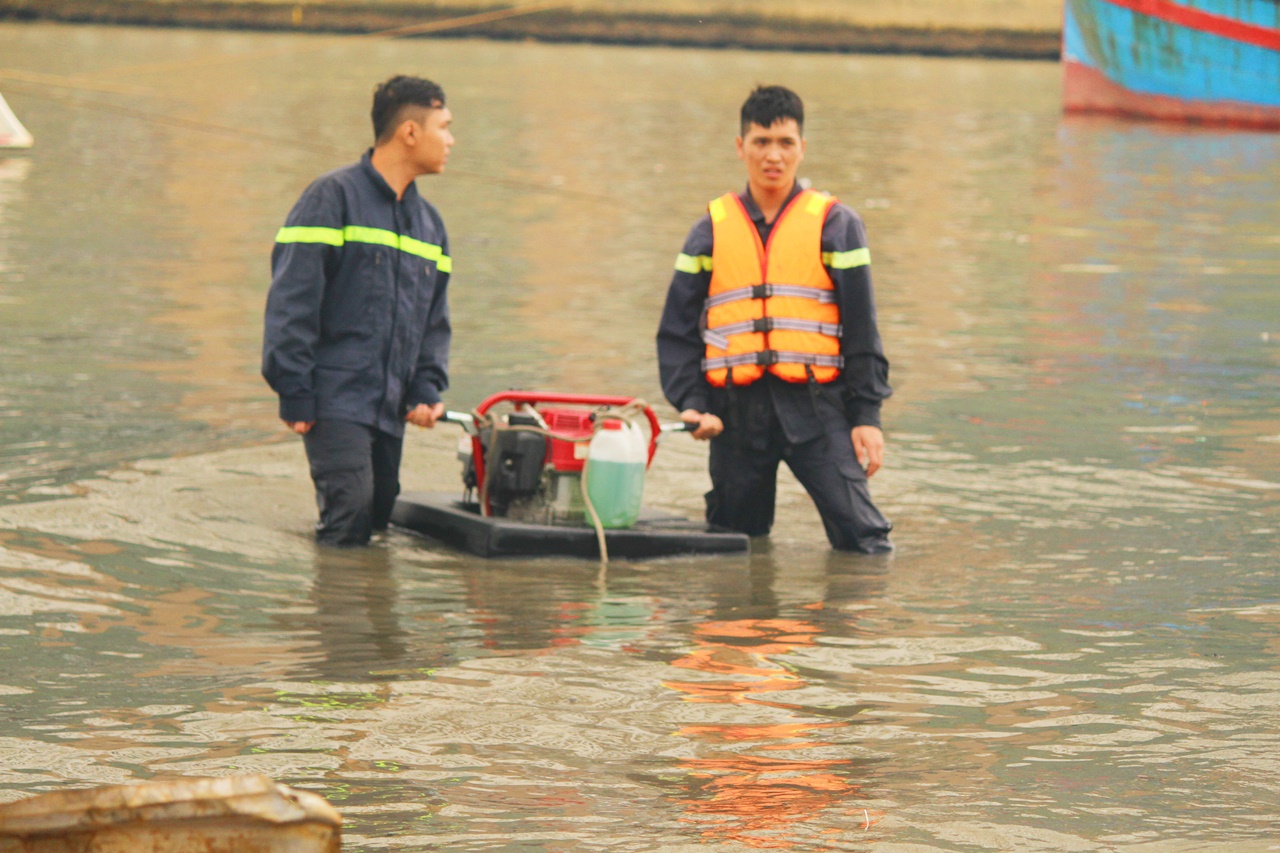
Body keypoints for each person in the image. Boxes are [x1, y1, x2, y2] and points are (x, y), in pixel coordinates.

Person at [656, 84, 893, 553]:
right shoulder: (710, 229)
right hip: (734, 415)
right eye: (761, 142)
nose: (773, 155)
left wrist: (867, 415)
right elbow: (677, 332)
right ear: (740, 147)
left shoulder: (837, 224)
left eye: (785, 143)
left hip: (817, 407)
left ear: (802, 148)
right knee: (732, 547)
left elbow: (863, 327)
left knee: (865, 542)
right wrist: (692, 402)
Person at [263, 75, 454, 547]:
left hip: (389, 404)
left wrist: (425, 388)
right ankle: (337, 614)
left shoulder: (430, 225)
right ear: (410, 133)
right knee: (348, 517)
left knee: (378, 511)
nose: (451, 141)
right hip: (334, 397)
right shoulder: (331, 199)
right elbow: (293, 301)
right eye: (444, 127)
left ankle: (364, 612)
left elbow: (434, 320)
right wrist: (295, 390)